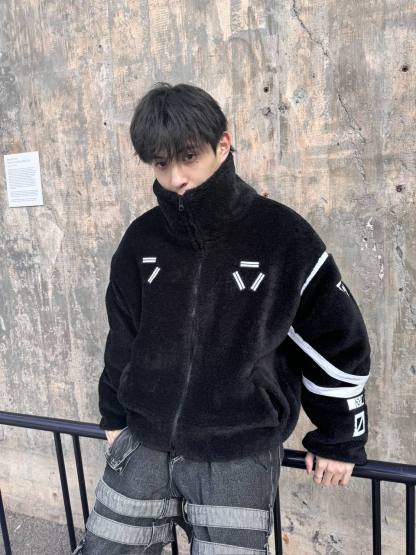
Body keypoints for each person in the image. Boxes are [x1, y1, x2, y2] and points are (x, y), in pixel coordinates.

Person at [72, 83, 371, 554]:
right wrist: (113, 413)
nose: (176, 177)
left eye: (189, 157)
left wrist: (340, 437)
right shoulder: (142, 239)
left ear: (223, 144)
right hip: (144, 441)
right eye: (161, 164)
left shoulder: (281, 235)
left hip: (237, 454)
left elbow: (334, 340)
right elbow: (123, 336)